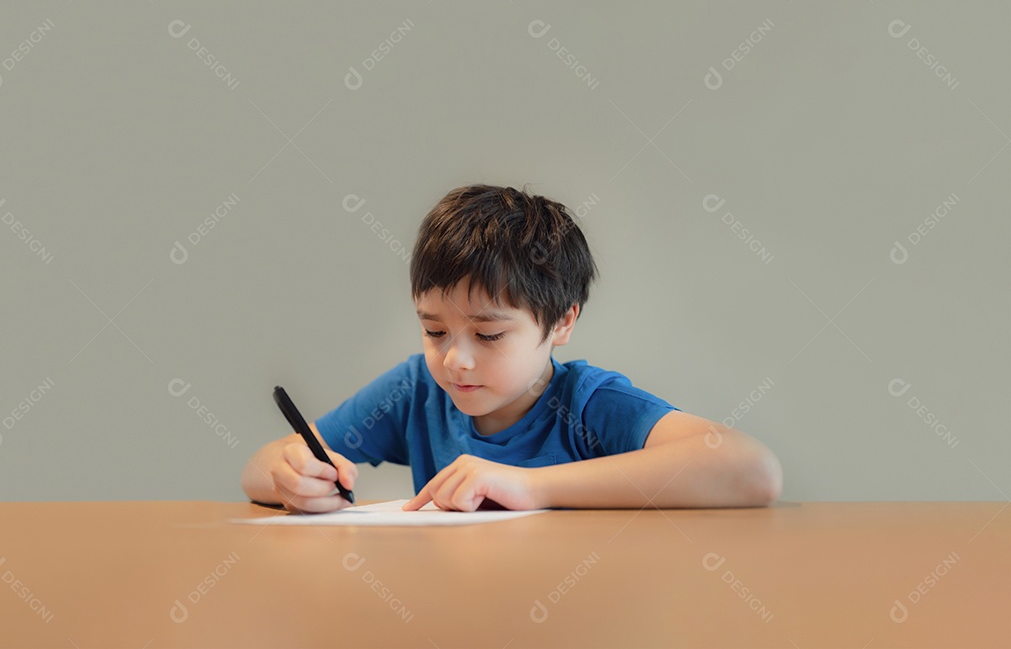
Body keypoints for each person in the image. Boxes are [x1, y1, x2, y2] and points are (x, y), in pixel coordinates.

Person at [241, 184, 782, 512]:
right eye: (434, 331)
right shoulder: (417, 392)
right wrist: (293, 476)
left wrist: (532, 487)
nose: (456, 360)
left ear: (563, 321)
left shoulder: (588, 405)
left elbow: (751, 469)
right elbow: (259, 469)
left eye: (489, 334)